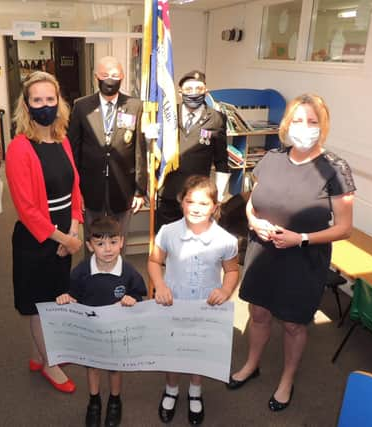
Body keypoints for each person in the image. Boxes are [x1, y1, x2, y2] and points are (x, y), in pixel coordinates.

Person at [227, 93, 355, 411]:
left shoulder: (335, 168)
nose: (304, 127)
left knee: (294, 324)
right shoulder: (272, 158)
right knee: (258, 313)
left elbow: (344, 228)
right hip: (263, 253)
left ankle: (286, 379)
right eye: (298, 120)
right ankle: (252, 364)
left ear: (322, 127)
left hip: (303, 259)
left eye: (312, 122)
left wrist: (302, 238)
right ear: (287, 124)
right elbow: (252, 203)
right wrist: (253, 222)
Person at [5, 71, 83, 394]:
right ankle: (49, 364)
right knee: (42, 305)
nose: (45, 106)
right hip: (37, 242)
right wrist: (65, 239)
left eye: (50, 99)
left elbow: (74, 188)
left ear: (59, 102)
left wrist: (74, 225)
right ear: (26, 105)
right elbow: (27, 209)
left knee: (53, 297)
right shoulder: (19, 148)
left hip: (64, 235)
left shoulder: (63, 140)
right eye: (37, 100)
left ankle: (38, 355)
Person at [148, 175, 239, 425]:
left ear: (215, 207)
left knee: (199, 349)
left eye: (203, 203)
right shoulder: (168, 232)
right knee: (173, 349)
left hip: (206, 306)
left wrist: (225, 290)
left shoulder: (225, 240)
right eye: (190, 202)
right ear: (181, 203)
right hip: (173, 303)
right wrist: (160, 285)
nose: (196, 208)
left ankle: (195, 391)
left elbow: (232, 270)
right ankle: (172, 389)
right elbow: (155, 261)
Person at [56, 216, 147, 427]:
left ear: (122, 242)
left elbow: (139, 296)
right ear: (89, 246)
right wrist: (67, 299)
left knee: (115, 368)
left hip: (116, 332)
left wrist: (133, 299)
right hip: (91, 332)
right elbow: (74, 296)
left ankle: (115, 400)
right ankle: (94, 401)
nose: (108, 249)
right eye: (100, 243)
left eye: (113, 242)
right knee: (93, 367)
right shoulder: (81, 271)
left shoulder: (128, 272)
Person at [68, 56, 147, 243]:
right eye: (105, 75)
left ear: (122, 77)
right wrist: (75, 190)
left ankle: (118, 272)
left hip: (122, 187)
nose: (109, 79)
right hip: (89, 187)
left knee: (119, 239)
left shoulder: (135, 106)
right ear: (96, 77)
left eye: (114, 75)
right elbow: (73, 150)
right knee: (92, 238)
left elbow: (139, 151)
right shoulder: (81, 106)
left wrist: (140, 190)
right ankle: (93, 272)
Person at [154, 70, 230, 231]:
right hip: (168, 192)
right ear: (180, 92)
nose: (194, 93)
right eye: (188, 90)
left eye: (198, 89)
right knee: (166, 242)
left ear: (206, 91)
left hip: (198, 197)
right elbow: (154, 151)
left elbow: (221, 160)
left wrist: (218, 195)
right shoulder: (167, 115)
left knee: (193, 243)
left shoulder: (217, 118)